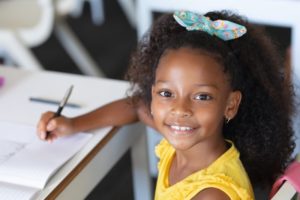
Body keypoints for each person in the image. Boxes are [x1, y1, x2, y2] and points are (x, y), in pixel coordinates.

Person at [37, 10, 295, 200]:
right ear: (153, 93)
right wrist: (72, 124)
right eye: (166, 93)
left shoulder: (212, 195)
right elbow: (137, 106)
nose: (180, 109)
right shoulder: (193, 145)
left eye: (202, 96)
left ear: (230, 104)